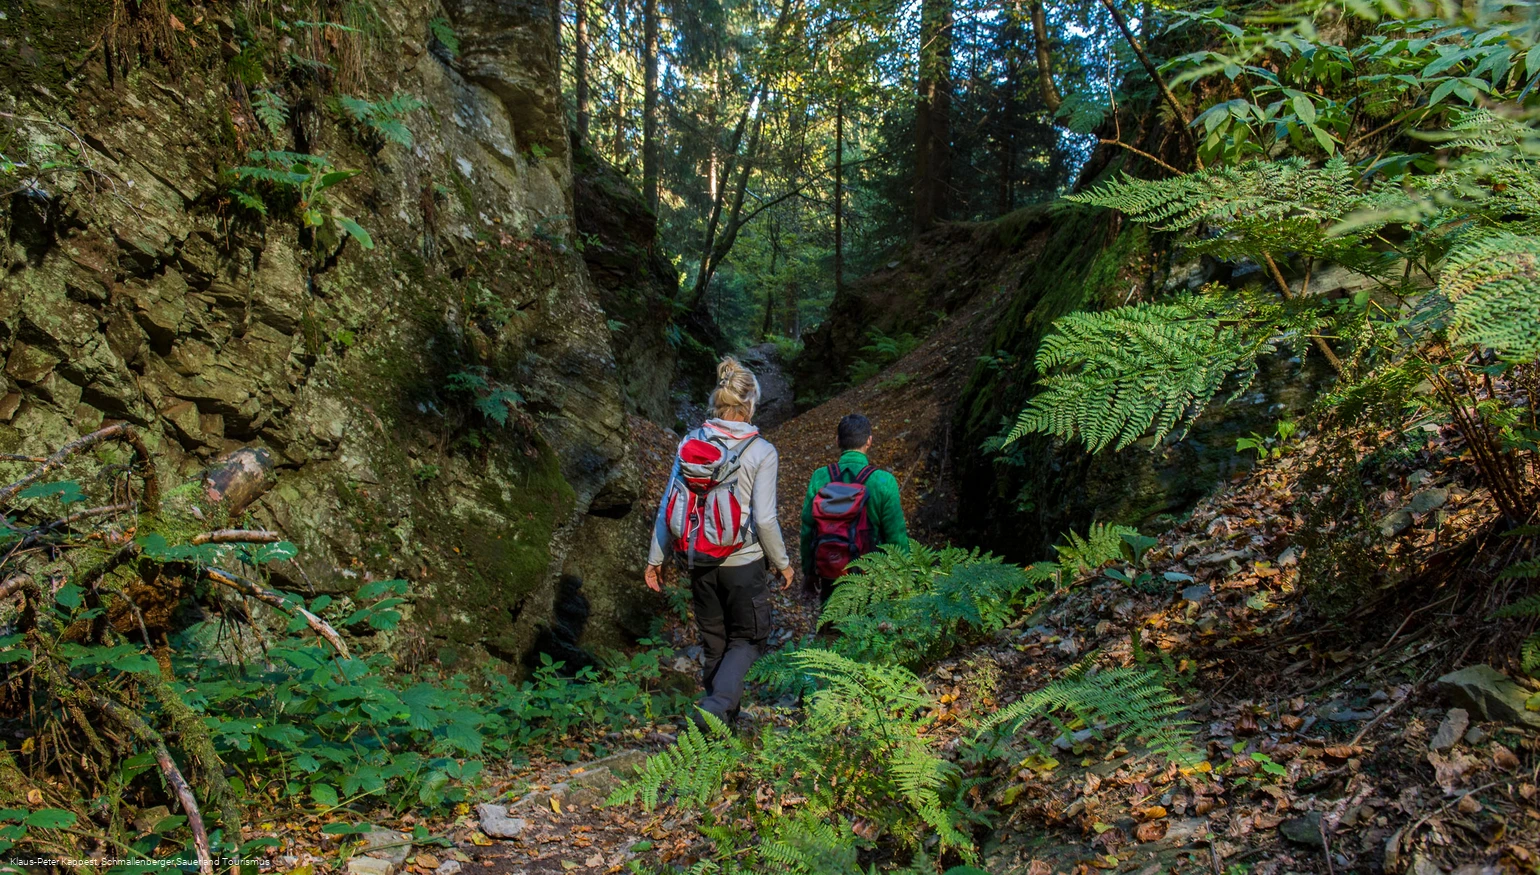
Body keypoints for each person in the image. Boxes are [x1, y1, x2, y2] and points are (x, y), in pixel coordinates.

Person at [645, 356, 794, 726]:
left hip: (698, 560)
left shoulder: (690, 441)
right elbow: (763, 518)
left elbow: (669, 505)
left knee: (714, 642)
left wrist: (655, 558)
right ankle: (715, 709)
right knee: (748, 640)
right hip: (742, 563)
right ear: (750, 403)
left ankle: (716, 726)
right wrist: (782, 562)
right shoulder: (761, 451)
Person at [800, 413, 909, 604]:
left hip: (831, 574)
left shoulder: (820, 477)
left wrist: (809, 572)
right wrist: (906, 579)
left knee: (831, 629)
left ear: (837, 441)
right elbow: (896, 536)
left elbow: (808, 529)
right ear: (869, 441)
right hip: (872, 580)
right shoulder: (883, 481)